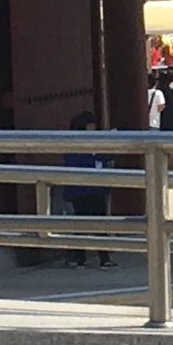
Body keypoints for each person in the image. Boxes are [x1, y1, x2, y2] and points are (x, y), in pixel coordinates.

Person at [58, 112, 114, 268]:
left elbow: (107, 156)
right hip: (81, 189)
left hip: (95, 188)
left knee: (100, 224)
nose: (92, 127)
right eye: (89, 125)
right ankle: (80, 257)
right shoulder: (74, 143)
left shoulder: (95, 141)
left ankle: (103, 257)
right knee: (81, 225)